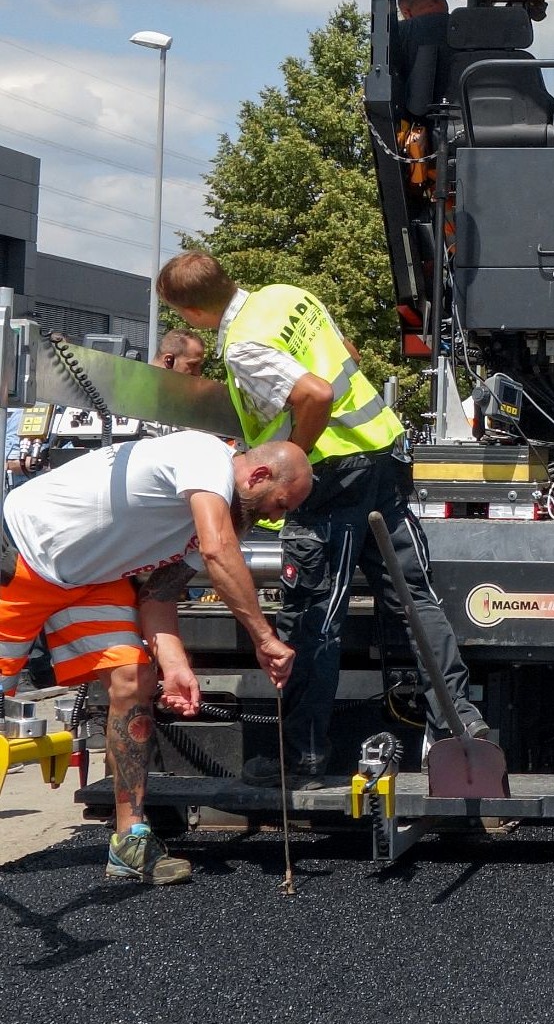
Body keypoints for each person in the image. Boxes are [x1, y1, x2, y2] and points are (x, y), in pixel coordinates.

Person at [155, 251, 493, 786]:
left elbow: (316, 393)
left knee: (315, 613)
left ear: (192, 312)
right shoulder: (287, 296)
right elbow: (346, 355)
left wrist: (290, 458)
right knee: (412, 598)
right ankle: (460, 725)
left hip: (330, 475)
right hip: (382, 455)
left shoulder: (243, 344)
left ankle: (303, 756)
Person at [0, 433, 310, 884]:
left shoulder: (217, 513)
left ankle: (131, 840)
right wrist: (264, 637)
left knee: (135, 680)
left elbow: (157, 594)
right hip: (21, 553)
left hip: (89, 580)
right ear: (258, 475)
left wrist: (176, 665)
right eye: (278, 505)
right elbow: (217, 549)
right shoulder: (206, 460)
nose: (274, 519)